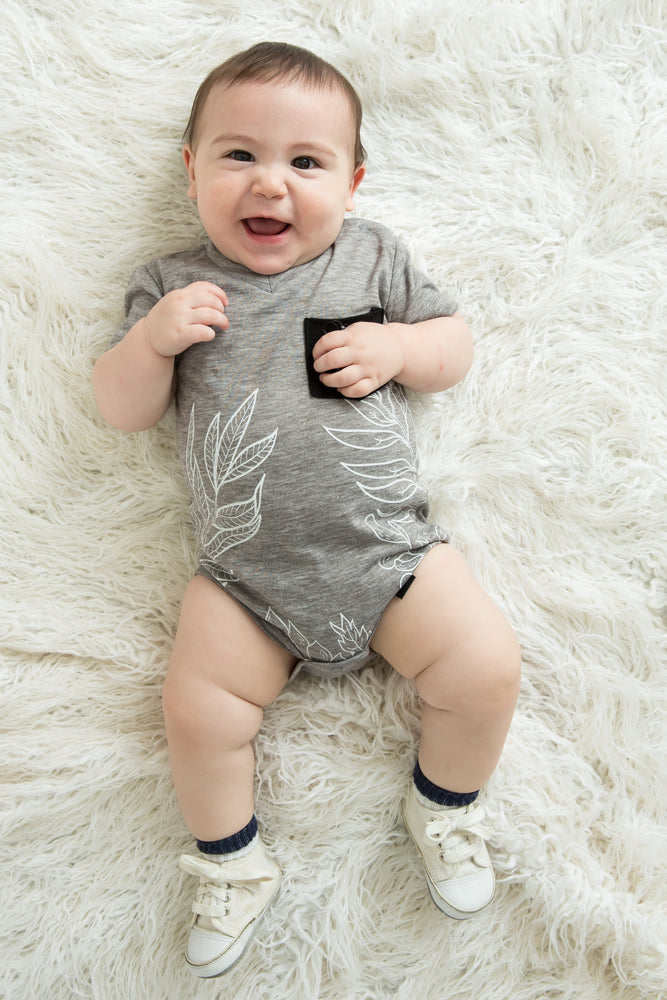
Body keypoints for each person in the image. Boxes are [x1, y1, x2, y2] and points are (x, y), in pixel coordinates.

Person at [93, 41, 521, 979]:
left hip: (389, 552)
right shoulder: (171, 285)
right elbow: (121, 412)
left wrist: (397, 350)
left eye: (306, 162)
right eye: (238, 155)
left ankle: (445, 805)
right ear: (191, 170)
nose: (270, 186)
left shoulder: (370, 260)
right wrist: (154, 344)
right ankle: (230, 860)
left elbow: (453, 346)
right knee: (198, 710)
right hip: (248, 578)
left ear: (353, 182)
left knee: (484, 666)